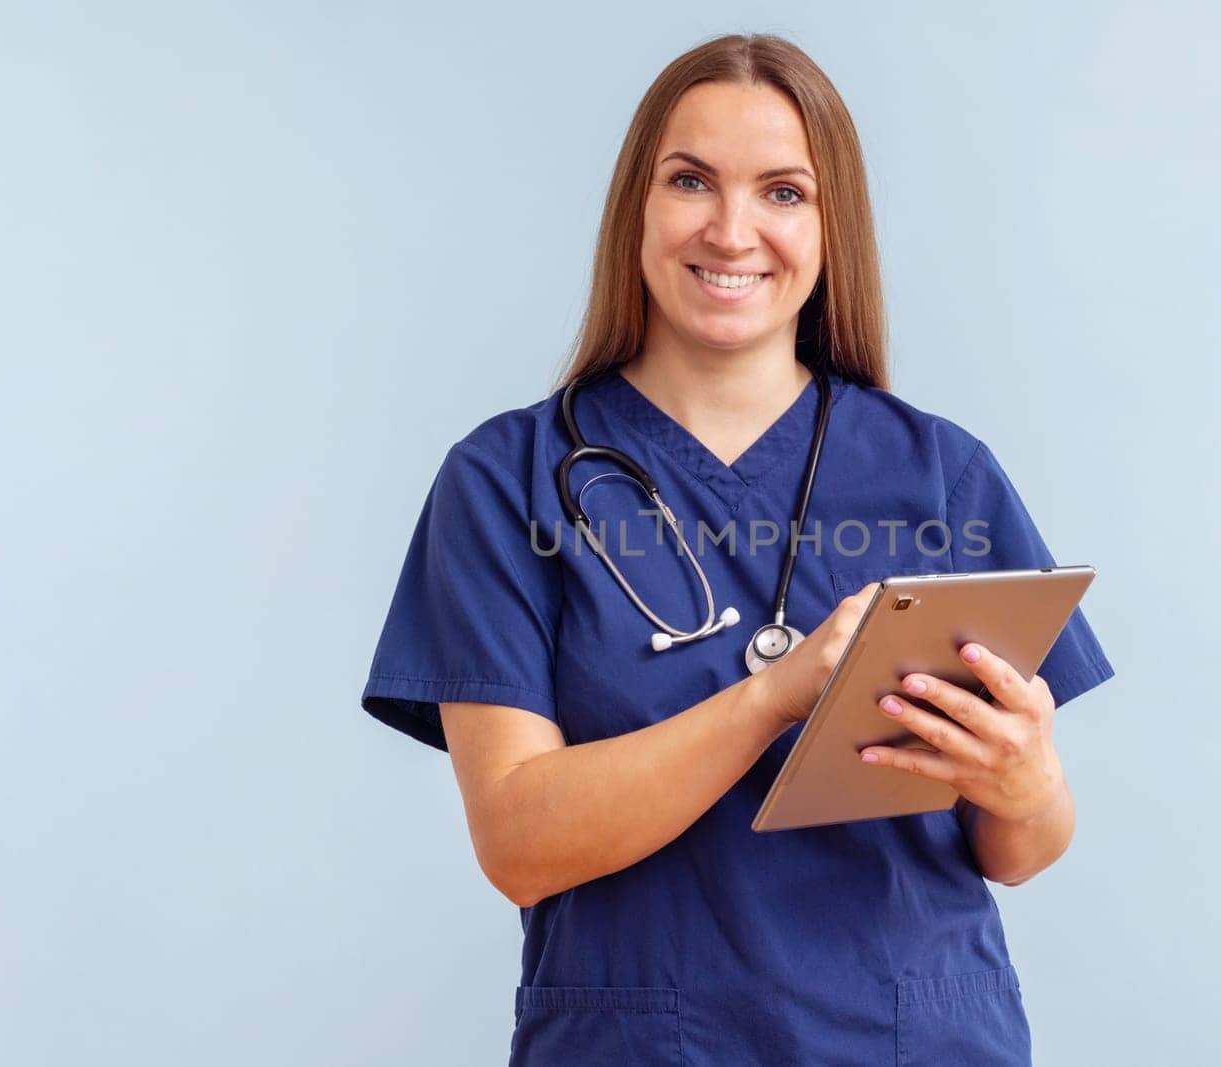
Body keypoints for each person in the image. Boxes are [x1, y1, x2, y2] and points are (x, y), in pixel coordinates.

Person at [360, 33, 1115, 1066]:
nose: (731, 229)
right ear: (638, 204)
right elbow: (519, 842)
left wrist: (1028, 786)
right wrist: (774, 694)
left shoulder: (941, 474)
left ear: (829, 225)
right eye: (690, 181)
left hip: (916, 1038)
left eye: (782, 193)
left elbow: (1017, 850)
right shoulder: (508, 480)